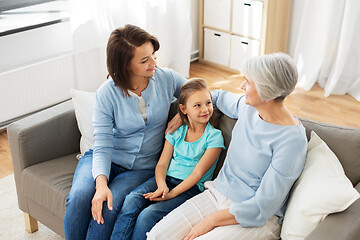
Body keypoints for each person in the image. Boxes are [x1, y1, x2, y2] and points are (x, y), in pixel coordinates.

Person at [146, 53, 308, 240]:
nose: (242, 86)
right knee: (157, 236)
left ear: (267, 90)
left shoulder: (292, 141)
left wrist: (211, 221)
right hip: (217, 194)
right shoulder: (247, 108)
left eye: (248, 82)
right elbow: (214, 97)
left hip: (255, 216)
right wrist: (181, 116)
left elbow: (262, 207)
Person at [64, 24, 187, 240]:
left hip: (141, 168)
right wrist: (101, 184)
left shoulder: (165, 78)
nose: (154, 63)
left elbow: (201, 92)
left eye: (153, 55)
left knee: (108, 208)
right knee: (79, 197)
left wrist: (183, 112)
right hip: (105, 158)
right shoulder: (107, 94)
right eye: (144, 60)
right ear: (124, 65)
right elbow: (102, 144)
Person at [110, 78, 225, 240]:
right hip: (166, 180)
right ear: (183, 109)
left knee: (147, 215)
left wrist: (171, 194)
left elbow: (197, 174)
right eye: (197, 105)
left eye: (208, 103)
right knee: (131, 200)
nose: (205, 109)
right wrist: (162, 185)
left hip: (189, 189)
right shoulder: (176, 133)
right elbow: (162, 165)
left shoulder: (214, 138)